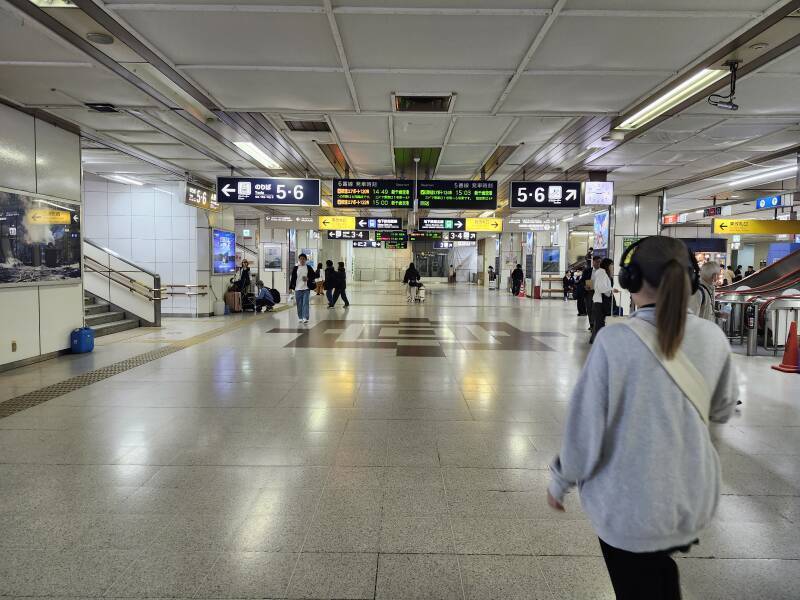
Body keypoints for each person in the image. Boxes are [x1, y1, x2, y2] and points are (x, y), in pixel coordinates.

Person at [548, 236, 737, 600]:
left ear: (630, 281)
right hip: (688, 499)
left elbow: (586, 429)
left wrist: (560, 479)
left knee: (639, 581)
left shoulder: (614, 341)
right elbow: (723, 410)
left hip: (630, 506)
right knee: (657, 574)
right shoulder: (713, 337)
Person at [589, 258, 614, 344]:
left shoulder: (601, 272)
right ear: (607, 265)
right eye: (611, 265)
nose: (612, 267)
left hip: (599, 300)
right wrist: (612, 289)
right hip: (600, 301)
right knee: (599, 322)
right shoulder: (602, 273)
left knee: (599, 322)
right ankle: (598, 342)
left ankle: (595, 340)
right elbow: (600, 287)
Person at [288, 253, 315, 324]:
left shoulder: (308, 267)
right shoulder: (296, 268)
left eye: (303, 259)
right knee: (299, 304)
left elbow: (314, 276)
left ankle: (305, 317)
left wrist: (308, 278)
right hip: (297, 289)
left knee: (305, 303)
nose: (302, 260)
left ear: (306, 260)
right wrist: (290, 287)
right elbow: (293, 278)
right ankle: (300, 317)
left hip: (306, 288)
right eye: (301, 259)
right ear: (299, 259)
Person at [585, 256, 602, 330]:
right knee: (589, 308)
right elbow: (583, 280)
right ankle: (591, 324)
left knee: (595, 309)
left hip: (598, 293)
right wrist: (584, 286)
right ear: (593, 262)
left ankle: (595, 324)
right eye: (597, 262)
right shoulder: (587, 271)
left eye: (600, 262)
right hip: (589, 292)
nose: (599, 263)